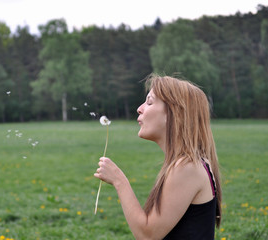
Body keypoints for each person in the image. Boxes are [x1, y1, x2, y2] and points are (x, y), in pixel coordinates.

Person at [94, 74, 222, 240]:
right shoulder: (191, 163)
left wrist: (119, 181)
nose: (139, 109)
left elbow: (147, 235)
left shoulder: (187, 167)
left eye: (149, 102)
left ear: (174, 113)